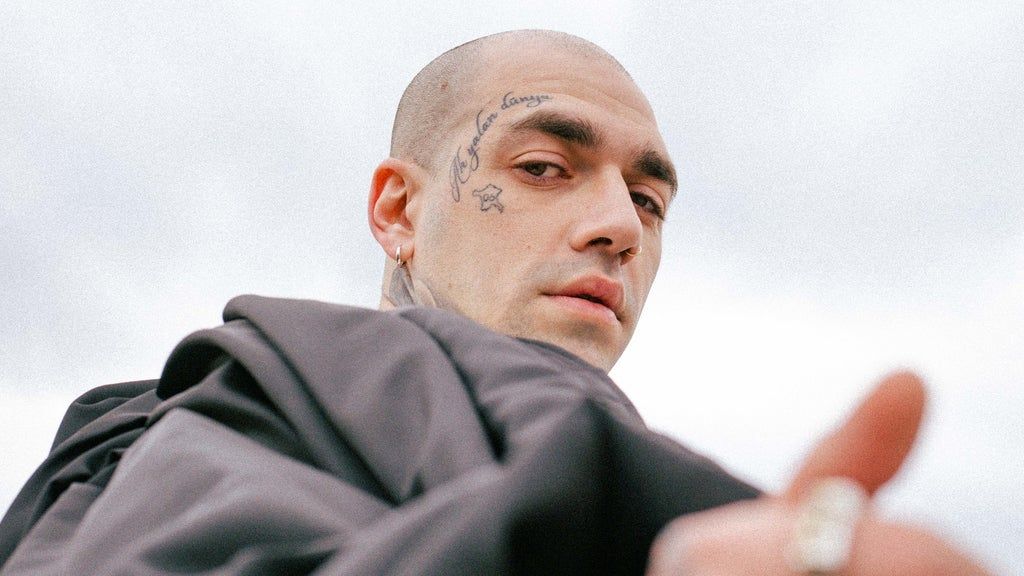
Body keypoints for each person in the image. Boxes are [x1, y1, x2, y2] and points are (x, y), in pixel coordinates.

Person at [0, 30, 990, 575]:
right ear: (398, 211)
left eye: (649, 201)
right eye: (544, 167)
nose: (621, 226)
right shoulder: (247, 410)